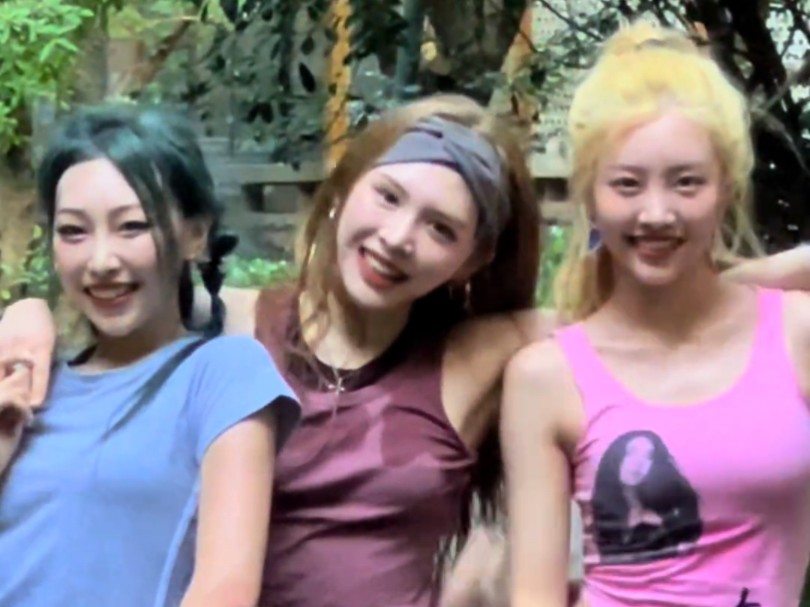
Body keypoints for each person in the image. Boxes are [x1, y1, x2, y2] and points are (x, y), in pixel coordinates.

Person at [0, 91, 809, 607]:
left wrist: (763, 274)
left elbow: (655, 307)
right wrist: (25, 313)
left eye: (440, 228)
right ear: (344, 188)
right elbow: (112, 298)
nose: (397, 238)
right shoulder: (233, 324)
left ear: (473, 258)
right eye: (387, 196)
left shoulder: (482, 354)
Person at [502, 21, 810, 607]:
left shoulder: (796, 333)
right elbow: (534, 595)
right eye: (627, 184)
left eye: (687, 183)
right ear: (591, 197)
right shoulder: (546, 377)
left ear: (726, 189)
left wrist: (781, 269)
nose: (657, 213)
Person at [0, 105, 299, 607]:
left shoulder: (224, 375)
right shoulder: (28, 381)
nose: (101, 261)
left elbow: (225, 589)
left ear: (195, 234)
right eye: (73, 231)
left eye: (132, 226)